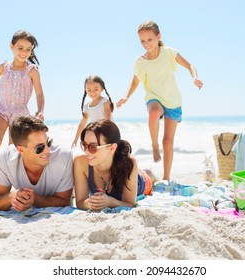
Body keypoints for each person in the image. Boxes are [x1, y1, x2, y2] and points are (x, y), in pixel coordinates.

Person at [116, 20, 203, 181]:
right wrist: (126, 97)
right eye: (142, 41)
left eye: (150, 39)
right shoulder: (140, 61)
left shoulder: (169, 53)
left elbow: (190, 65)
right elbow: (135, 81)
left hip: (173, 101)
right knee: (154, 112)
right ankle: (154, 145)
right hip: (154, 98)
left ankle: (166, 177)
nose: (146, 44)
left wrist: (195, 78)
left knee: (168, 142)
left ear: (158, 36)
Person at [0, 30, 45, 189]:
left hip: (20, 113)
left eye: (28, 49)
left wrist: (40, 110)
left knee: (13, 148)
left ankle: (10, 180)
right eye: (20, 48)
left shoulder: (32, 71)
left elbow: (39, 93)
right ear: (12, 47)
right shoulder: (3, 67)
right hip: (2, 108)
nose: (24, 52)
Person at [0, 115, 74, 211]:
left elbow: (65, 201)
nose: (47, 151)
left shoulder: (63, 156)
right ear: (20, 150)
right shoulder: (7, 158)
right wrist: (12, 198)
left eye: (48, 143)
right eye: (40, 148)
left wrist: (35, 200)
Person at [74, 119, 153, 211]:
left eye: (93, 147)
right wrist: (89, 203)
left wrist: (110, 202)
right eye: (84, 145)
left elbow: (130, 204)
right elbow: (80, 202)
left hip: (138, 182)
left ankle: (149, 174)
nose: (86, 151)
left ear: (112, 148)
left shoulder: (129, 162)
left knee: (148, 178)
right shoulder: (80, 161)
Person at [71, 75, 114, 149]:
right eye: (89, 90)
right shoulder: (87, 106)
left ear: (102, 88)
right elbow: (82, 124)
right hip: (96, 135)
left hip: (108, 133)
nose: (92, 92)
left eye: (96, 89)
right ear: (85, 90)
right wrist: (75, 139)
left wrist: (105, 136)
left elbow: (108, 120)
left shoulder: (105, 102)